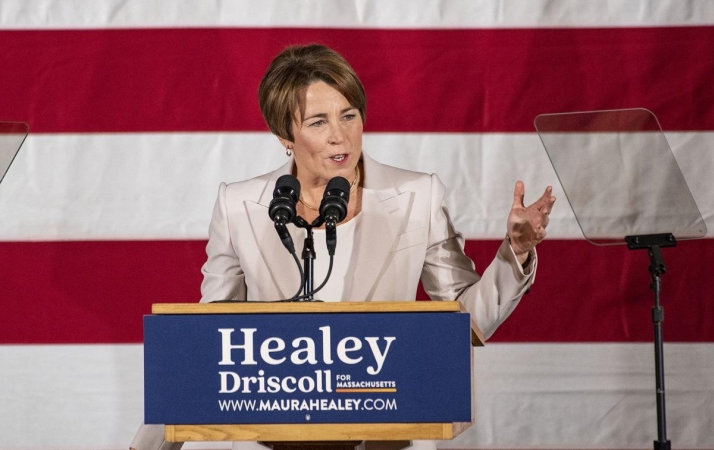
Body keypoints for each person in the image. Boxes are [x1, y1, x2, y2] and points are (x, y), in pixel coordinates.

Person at [131, 43, 555, 450]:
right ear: (284, 134)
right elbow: (209, 342)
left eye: (348, 115)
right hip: (272, 438)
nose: (340, 137)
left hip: (389, 437)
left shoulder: (417, 196)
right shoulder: (240, 205)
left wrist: (514, 251)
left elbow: (464, 322)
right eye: (318, 122)